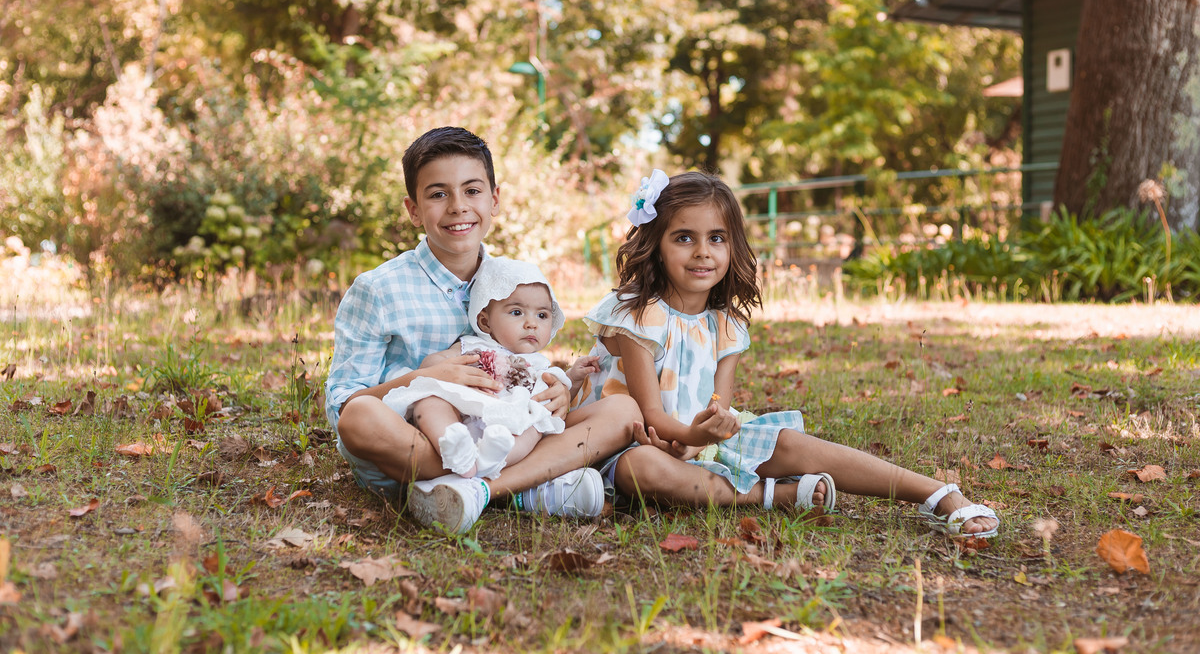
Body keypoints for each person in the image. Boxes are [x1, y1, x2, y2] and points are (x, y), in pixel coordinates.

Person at [572, 169, 1000, 539]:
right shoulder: (636, 314)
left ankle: (936, 492)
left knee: (791, 443)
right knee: (644, 469)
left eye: (716, 238)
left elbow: (718, 405)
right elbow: (650, 414)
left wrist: (710, 433)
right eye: (684, 237)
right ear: (656, 244)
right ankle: (772, 495)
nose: (702, 251)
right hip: (632, 442)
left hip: (697, 444)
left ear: (733, 246)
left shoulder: (726, 324)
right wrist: (691, 438)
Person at [325, 126, 640, 535]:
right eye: (438, 194)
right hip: (418, 445)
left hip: (509, 429)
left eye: (472, 191)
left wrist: (560, 391)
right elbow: (342, 406)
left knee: (622, 410)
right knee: (359, 417)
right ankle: (515, 485)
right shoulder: (379, 289)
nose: (458, 206)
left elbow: (529, 360)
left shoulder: (516, 281)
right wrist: (427, 377)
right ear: (414, 210)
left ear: (494, 200)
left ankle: (481, 490)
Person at [382, 257, 599, 480]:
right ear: (485, 322)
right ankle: (453, 444)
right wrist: (439, 368)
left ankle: (490, 462)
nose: (532, 324)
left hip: (509, 424)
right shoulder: (472, 346)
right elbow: (433, 365)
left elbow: (554, 399)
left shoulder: (539, 364)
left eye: (542, 315)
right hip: (464, 411)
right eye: (517, 312)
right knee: (429, 401)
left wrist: (573, 378)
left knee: (536, 425)